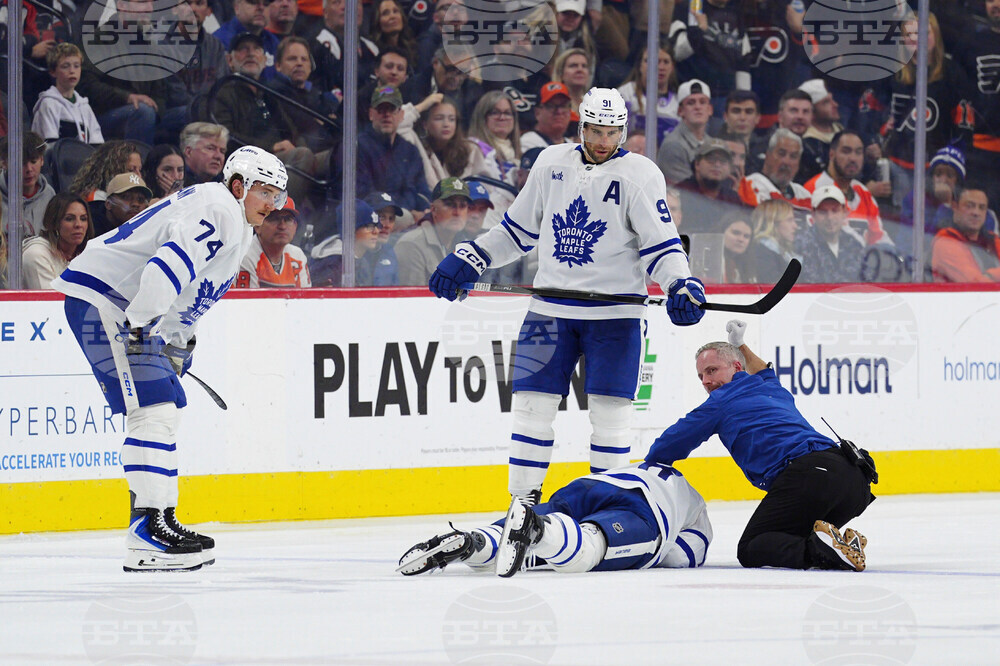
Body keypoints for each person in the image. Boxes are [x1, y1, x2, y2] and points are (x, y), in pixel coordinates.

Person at [428, 88, 707, 505]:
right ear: (581, 127)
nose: (602, 141)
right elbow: (516, 231)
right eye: (595, 130)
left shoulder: (641, 174)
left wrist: (680, 283)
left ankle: (607, 506)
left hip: (615, 317)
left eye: (611, 132)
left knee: (610, 417)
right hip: (549, 311)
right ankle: (522, 507)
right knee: (531, 409)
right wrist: (473, 256)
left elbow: (661, 246)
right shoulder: (550, 163)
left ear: (622, 131)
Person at [52, 146, 289, 572]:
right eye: (265, 192)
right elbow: (166, 268)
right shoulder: (219, 208)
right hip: (106, 303)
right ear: (239, 186)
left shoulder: (236, 222)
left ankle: (159, 519)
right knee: (153, 410)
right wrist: (143, 327)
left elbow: (189, 295)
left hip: (122, 307)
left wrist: (177, 344)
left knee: (165, 409)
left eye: (278, 195)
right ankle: (146, 533)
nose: (272, 204)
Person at [646, 320, 874, 571]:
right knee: (789, 536)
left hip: (811, 476)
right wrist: (740, 345)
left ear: (736, 367)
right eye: (701, 376)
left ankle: (824, 551)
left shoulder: (720, 402)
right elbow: (763, 369)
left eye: (712, 371)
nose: (706, 381)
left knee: (752, 547)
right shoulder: (769, 386)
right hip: (855, 481)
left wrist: (644, 474)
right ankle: (841, 546)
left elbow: (667, 446)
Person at [398, 460, 713, 577]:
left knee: (513, 540)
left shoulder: (650, 468)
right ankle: (539, 531)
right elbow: (679, 557)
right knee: (588, 548)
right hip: (644, 508)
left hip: (589, 486)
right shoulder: (697, 509)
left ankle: (474, 543)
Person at [355, 85, 432, 230]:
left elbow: (422, 191)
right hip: (374, 217)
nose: (387, 115)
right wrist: (408, 212)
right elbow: (365, 194)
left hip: (408, 216)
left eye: (392, 109)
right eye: (381, 109)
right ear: (371, 114)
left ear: (401, 115)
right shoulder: (359, 146)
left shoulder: (410, 150)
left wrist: (426, 211)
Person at [803, 130, 889, 246]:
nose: (853, 158)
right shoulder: (814, 189)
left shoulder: (863, 192)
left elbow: (879, 238)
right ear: (832, 154)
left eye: (858, 152)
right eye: (846, 151)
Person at [399, 96, 497, 193]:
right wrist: (421, 107)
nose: (446, 124)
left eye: (451, 119)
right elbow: (399, 126)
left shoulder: (470, 149)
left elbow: (486, 186)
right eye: (439, 118)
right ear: (425, 124)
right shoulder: (416, 147)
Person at [670, 0, 752, 110]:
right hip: (694, 97)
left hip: (726, 98)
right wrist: (698, 30)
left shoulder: (735, 12)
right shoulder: (690, 8)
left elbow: (743, 60)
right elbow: (677, 53)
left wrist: (743, 98)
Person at [396, 177, 471, 286]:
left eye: (463, 206)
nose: (457, 212)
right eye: (450, 205)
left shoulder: (467, 245)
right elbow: (412, 295)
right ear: (433, 209)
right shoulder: (411, 244)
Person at [30, 43, 104, 144]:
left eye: (76, 66)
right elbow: (50, 146)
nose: (72, 71)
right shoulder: (48, 104)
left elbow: (97, 143)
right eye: (65, 66)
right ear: (53, 72)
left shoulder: (84, 106)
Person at [21, 193, 93, 289]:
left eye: (83, 219)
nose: (78, 225)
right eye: (69, 219)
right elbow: (48, 298)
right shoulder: (36, 254)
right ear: (54, 222)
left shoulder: (87, 254)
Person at [795, 185, 865, 283]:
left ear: (845, 212)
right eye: (823, 212)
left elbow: (866, 281)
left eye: (835, 211)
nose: (830, 217)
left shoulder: (854, 244)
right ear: (813, 214)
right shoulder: (800, 245)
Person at [237, 196, 311, 287]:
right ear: (257, 226)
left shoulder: (297, 255)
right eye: (274, 219)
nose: (282, 226)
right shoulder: (245, 254)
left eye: (288, 220)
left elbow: (304, 295)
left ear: (295, 226)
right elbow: (248, 296)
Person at [310, 199, 387, 286]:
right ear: (350, 230)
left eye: (377, 226)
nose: (376, 231)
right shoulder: (332, 264)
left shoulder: (362, 261)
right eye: (369, 227)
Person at [676, 138, 746, 233]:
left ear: (729, 168)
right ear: (697, 164)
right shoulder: (680, 193)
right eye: (711, 159)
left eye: (723, 161)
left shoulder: (733, 200)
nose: (717, 164)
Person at [931, 188, 1000, 282]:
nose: (976, 213)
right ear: (955, 207)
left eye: (981, 208)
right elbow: (975, 283)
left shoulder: (993, 240)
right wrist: (993, 275)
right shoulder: (945, 241)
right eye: (969, 206)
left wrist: (989, 276)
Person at [617, 44, 680, 147]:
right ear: (640, 66)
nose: (660, 67)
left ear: (672, 67)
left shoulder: (678, 102)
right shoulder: (626, 93)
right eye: (654, 61)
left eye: (666, 62)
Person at [738, 129, 812, 213]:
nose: (786, 162)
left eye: (793, 156)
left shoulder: (804, 194)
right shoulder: (751, 184)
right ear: (768, 155)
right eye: (781, 154)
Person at [656, 79, 713, 184]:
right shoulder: (673, 146)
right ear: (680, 111)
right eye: (691, 103)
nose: (697, 107)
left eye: (702, 102)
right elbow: (685, 188)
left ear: (710, 109)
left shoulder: (711, 143)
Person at [0, 131, 55, 237]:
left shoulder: (49, 195)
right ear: (4, 163)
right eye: (21, 163)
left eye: (33, 161)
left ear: (42, 160)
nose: (29, 169)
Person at [467, 90, 523, 185]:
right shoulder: (473, 148)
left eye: (507, 113)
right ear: (482, 117)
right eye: (495, 112)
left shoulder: (519, 152)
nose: (502, 117)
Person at [797, 79, 843, 183]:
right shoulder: (808, 145)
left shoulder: (843, 132)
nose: (835, 105)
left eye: (832, 99)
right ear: (811, 112)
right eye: (826, 102)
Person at [68, 140, 142, 203]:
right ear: (112, 170)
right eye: (131, 170)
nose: (139, 176)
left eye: (140, 170)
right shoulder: (96, 199)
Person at [214, 0, 280, 67]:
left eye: (266, 4)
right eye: (253, 2)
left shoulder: (273, 41)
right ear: (236, 7)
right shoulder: (219, 42)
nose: (261, 8)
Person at [751, 199, 800, 283]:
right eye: (789, 220)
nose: (795, 226)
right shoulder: (761, 252)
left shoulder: (785, 251)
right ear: (773, 223)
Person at [94, 172, 153, 237]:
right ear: (108, 204)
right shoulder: (90, 227)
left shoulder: (148, 229)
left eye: (140, 199)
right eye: (127, 197)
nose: (135, 204)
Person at [520, 82, 574, 150]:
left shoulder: (571, 144)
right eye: (551, 106)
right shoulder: (528, 142)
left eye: (563, 105)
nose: (559, 111)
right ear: (537, 113)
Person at [369, 0, 417, 65]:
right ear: (377, 21)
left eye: (395, 11)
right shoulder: (372, 51)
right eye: (385, 13)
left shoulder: (411, 48)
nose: (392, 16)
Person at [720, 212, 756, 283]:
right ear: (722, 232)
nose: (741, 239)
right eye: (736, 233)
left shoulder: (751, 265)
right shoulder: (708, 260)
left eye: (746, 236)